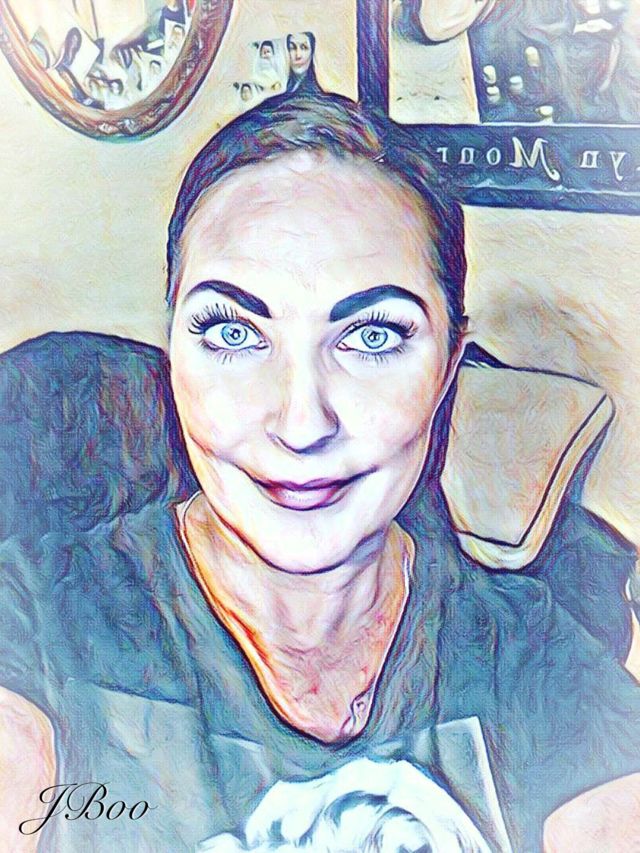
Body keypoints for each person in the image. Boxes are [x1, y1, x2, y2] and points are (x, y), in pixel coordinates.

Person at [1, 92, 640, 852]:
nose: (301, 425)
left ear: (449, 370)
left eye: (372, 336)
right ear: (173, 355)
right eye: (232, 331)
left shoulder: (536, 658)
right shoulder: (36, 622)